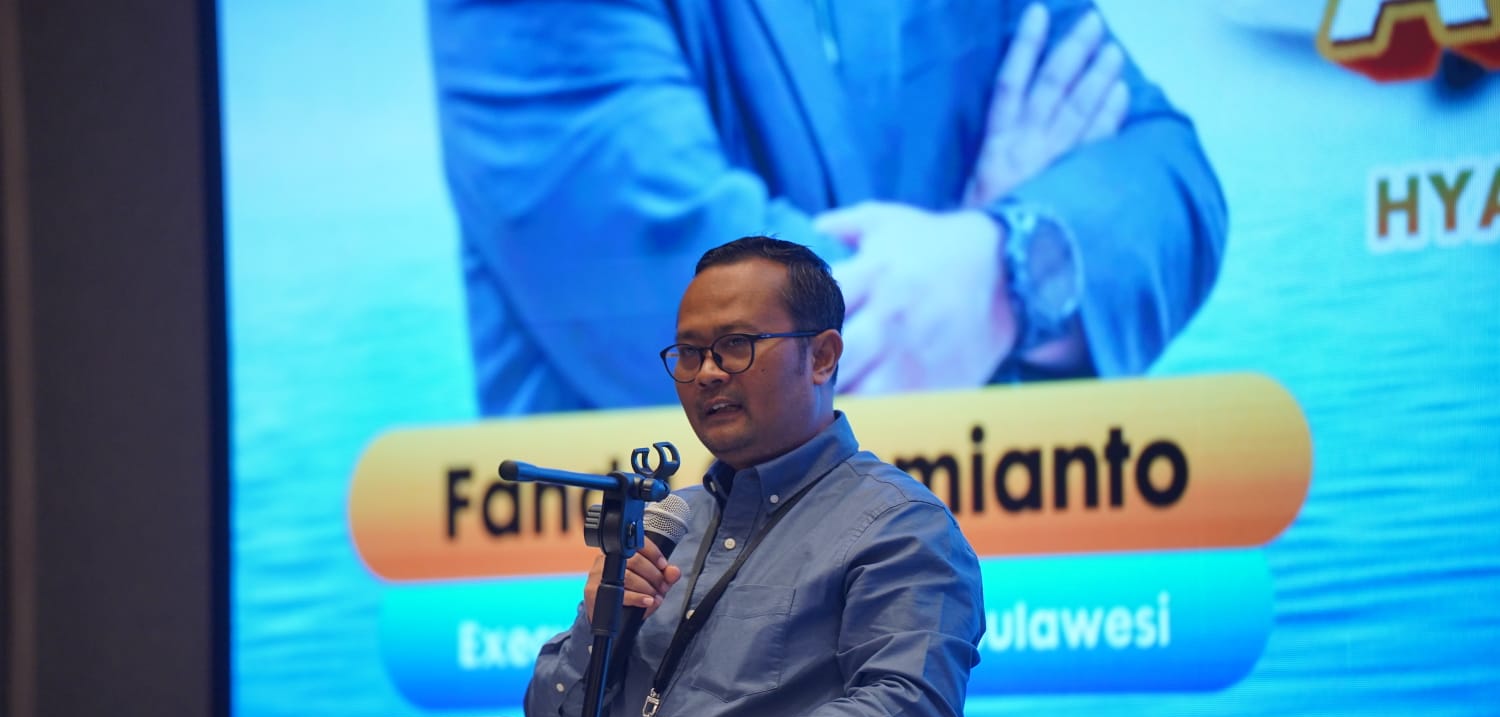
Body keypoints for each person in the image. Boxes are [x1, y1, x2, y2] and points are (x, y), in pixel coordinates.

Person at [524, 236, 985, 717]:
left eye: (736, 346)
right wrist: (596, 621)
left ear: (823, 356)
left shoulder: (897, 526)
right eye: (690, 353)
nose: (707, 373)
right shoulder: (669, 524)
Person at [428, 0, 1227, 413]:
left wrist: (999, 266)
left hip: (959, 636)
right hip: (663, 643)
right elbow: (720, 320)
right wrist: (953, 308)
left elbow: (1167, 180)